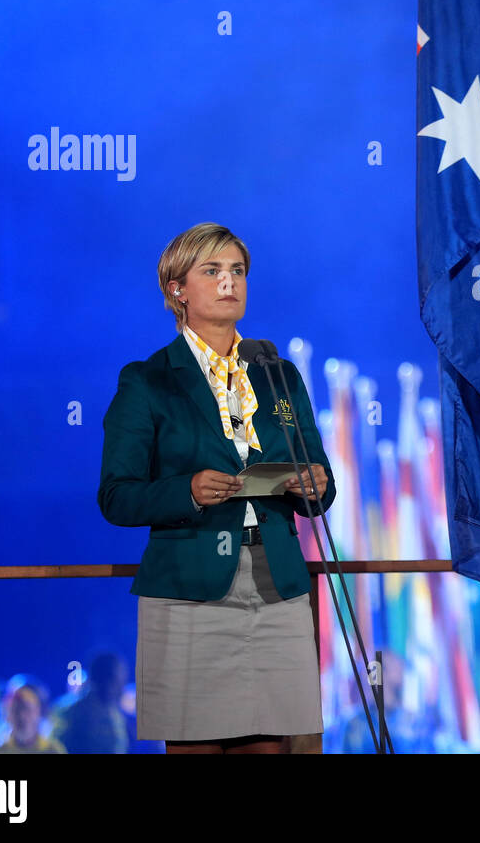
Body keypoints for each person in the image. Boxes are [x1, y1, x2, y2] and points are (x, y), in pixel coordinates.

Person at [99, 222, 335, 754]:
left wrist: (315, 483)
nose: (230, 282)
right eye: (212, 271)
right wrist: (187, 490)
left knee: (279, 745)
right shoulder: (148, 379)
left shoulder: (279, 374)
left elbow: (320, 478)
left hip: (278, 581)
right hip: (190, 587)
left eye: (238, 271)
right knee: (197, 746)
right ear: (176, 289)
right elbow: (116, 495)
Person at [0, 682, 66, 754]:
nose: (22, 716)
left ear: (39, 712)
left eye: (27, 709)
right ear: (7, 714)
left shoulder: (53, 751)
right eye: (16, 709)